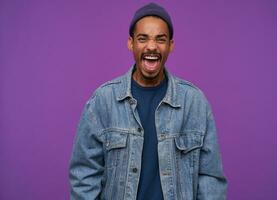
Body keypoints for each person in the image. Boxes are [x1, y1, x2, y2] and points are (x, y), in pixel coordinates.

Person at [69, 2, 227, 200]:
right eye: (142, 39)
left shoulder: (194, 103)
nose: (151, 46)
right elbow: (84, 176)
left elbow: (210, 179)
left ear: (170, 45)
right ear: (130, 43)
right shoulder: (102, 101)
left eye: (160, 39)